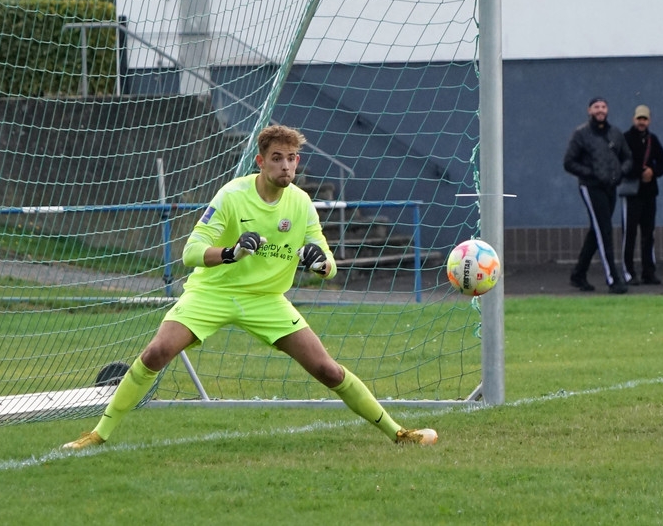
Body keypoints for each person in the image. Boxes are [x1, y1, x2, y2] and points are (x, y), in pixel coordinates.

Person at [62, 125, 438, 450]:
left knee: (328, 370)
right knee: (156, 352)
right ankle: (98, 434)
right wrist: (232, 252)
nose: (286, 165)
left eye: (292, 158)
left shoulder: (302, 203)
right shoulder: (232, 195)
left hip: (266, 300)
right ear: (260, 161)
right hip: (212, 294)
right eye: (277, 158)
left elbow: (328, 263)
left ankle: (398, 433)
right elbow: (190, 252)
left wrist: (320, 263)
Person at [563, 97, 633, 294]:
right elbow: (569, 162)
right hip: (591, 187)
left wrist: (620, 173)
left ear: (607, 110)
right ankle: (613, 279)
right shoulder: (581, 134)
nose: (600, 110)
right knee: (604, 230)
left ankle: (578, 274)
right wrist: (591, 174)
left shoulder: (615, 133)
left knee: (598, 231)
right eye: (596, 107)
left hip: (610, 187)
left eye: (603, 106)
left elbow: (627, 158)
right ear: (589, 110)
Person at [621, 104, 663, 285]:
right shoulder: (625, 139)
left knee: (649, 234)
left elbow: (662, 163)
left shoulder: (653, 140)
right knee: (629, 234)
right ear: (634, 119)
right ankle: (628, 272)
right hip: (632, 193)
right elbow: (622, 163)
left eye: (645, 119)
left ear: (649, 121)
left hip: (649, 193)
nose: (642, 122)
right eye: (639, 118)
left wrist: (653, 172)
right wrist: (640, 172)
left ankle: (649, 272)